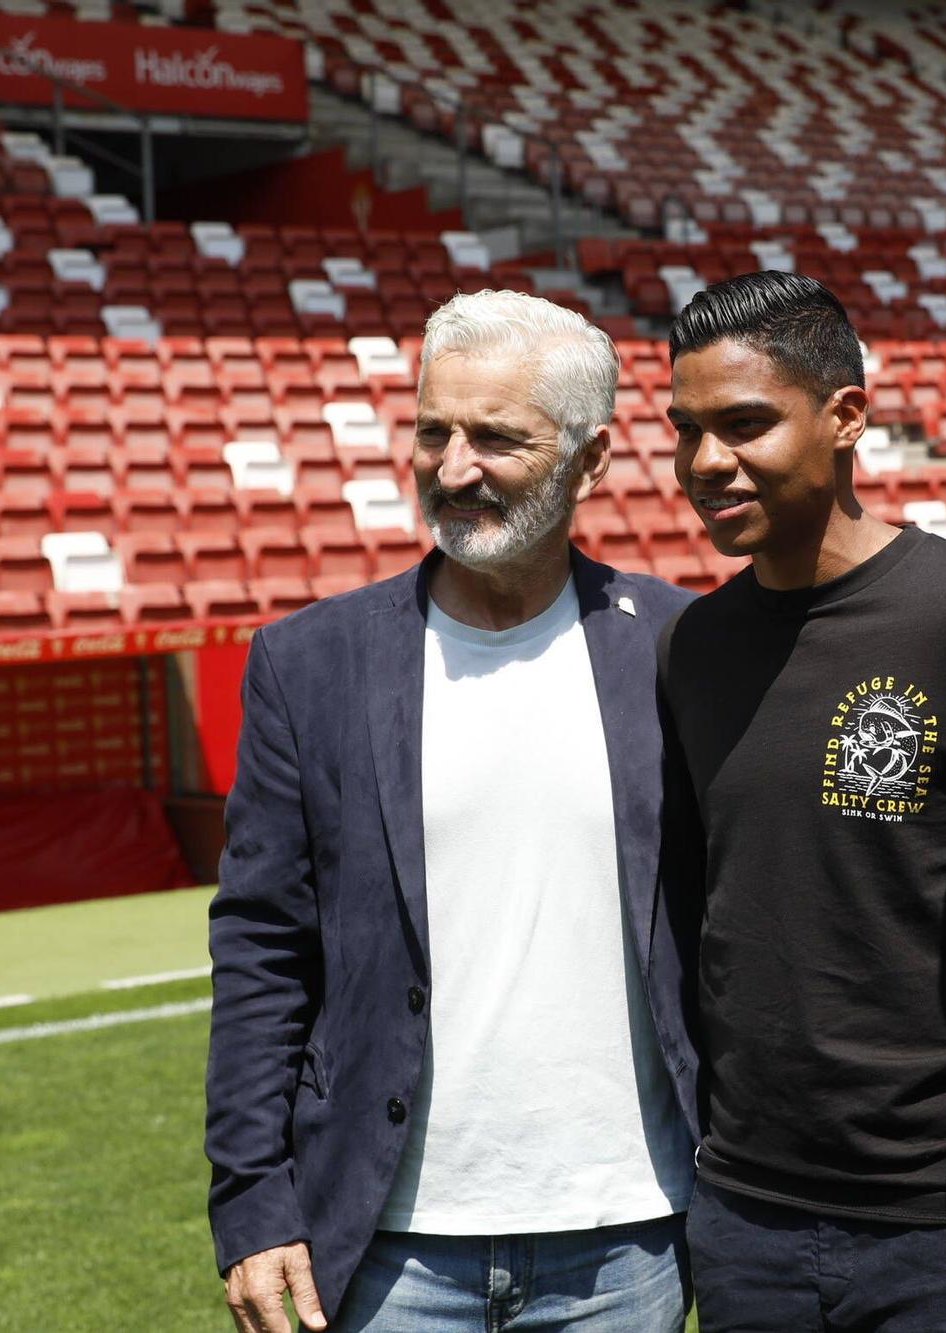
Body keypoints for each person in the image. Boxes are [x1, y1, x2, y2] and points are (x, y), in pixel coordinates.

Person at [205, 289, 700, 1333]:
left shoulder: (677, 648)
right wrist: (251, 1198)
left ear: (591, 457)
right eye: (433, 430)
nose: (454, 465)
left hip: (624, 1237)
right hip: (388, 1247)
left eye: (496, 437)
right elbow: (261, 943)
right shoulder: (309, 663)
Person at [656, 270, 946, 1331]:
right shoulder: (691, 646)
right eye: (684, 430)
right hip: (743, 1215)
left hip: (941, 1222)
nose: (704, 462)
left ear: (846, 418)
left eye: (741, 424)